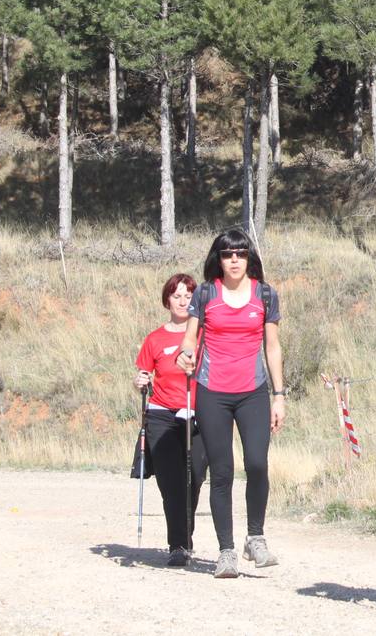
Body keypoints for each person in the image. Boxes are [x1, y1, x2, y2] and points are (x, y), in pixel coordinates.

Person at [175, 228, 286, 579]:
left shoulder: (265, 295)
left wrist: (279, 396)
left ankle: (255, 537)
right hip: (212, 392)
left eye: (240, 253)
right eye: (227, 254)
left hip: (253, 391)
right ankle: (226, 552)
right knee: (221, 473)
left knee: (256, 463)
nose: (234, 260)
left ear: (249, 257)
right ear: (218, 259)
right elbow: (190, 337)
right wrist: (186, 355)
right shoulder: (206, 294)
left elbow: (272, 347)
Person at [133, 273, 208, 567]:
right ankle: (178, 544)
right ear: (167, 300)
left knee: (196, 476)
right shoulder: (155, 339)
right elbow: (142, 374)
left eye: (188, 296)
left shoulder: (204, 335)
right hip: (161, 414)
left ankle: (184, 533)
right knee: (171, 481)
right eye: (176, 296)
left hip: (199, 413)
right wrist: (139, 381)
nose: (182, 301)